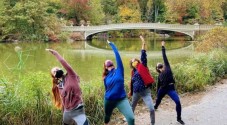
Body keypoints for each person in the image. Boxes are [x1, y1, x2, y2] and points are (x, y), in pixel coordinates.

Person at [46, 49, 89, 125]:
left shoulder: (71, 75)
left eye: (57, 69)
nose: (57, 70)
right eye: (54, 71)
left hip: (77, 108)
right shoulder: (60, 86)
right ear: (55, 77)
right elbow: (63, 101)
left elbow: (64, 63)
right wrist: (64, 112)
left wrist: (55, 53)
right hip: (67, 112)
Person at [102, 40, 135, 125]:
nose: (109, 63)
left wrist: (112, 44)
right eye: (107, 64)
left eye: (110, 62)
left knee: (131, 118)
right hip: (109, 100)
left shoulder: (119, 70)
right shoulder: (105, 77)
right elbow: (106, 89)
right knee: (107, 116)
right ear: (105, 67)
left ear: (113, 64)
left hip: (121, 99)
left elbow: (117, 56)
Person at [154, 41, 185, 125]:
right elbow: (158, 85)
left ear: (163, 65)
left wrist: (163, 46)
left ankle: (179, 118)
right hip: (162, 89)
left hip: (171, 89)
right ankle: (155, 106)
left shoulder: (167, 67)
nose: (161, 66)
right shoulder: (159, 76)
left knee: (178, 102)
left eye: (161, 65)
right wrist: (157, 92)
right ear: (158, 69)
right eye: (159, 66)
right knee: (158, 100)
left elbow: (164, 56)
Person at [128, 35, 155, 125]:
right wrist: (130, 91)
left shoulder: (142, 66)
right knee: (132, 107)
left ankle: (152, 123)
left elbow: (143, 54)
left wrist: (143, 42)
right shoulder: (132, 72)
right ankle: (131, 122)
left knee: (151, 109)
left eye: (135, 60)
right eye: (132, 62)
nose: (134, 62)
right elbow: (132, 82)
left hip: (145, 91)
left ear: (138, 61)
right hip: (136, 92)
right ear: (131, 64)